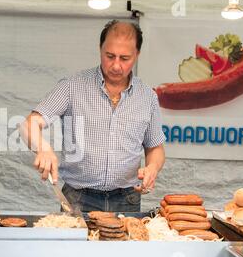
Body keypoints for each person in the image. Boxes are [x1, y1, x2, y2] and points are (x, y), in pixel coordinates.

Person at [20, 20, 166, 213]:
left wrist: (152, 168)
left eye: (125, 58)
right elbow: (29, 124)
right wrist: (43, 148)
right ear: (100, 49)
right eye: (110, 56)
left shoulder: (147, 96)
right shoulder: (72, 87)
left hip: (127, 199)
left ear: (137, 55)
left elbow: (155, 147)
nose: (116, 65)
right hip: (78, 197)